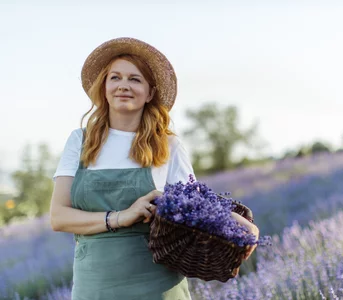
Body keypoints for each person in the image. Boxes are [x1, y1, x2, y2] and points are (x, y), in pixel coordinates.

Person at [50, 37, 259, 300]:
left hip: (158, 286)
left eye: (135, 79)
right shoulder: (79, 141)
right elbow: (58, 217)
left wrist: (246, 228)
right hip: (95, 285)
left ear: (150, 93)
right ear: (104, 87)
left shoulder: (168, 145)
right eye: (115, 77)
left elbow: (200, 206)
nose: (123, 86)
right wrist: (121, 216)